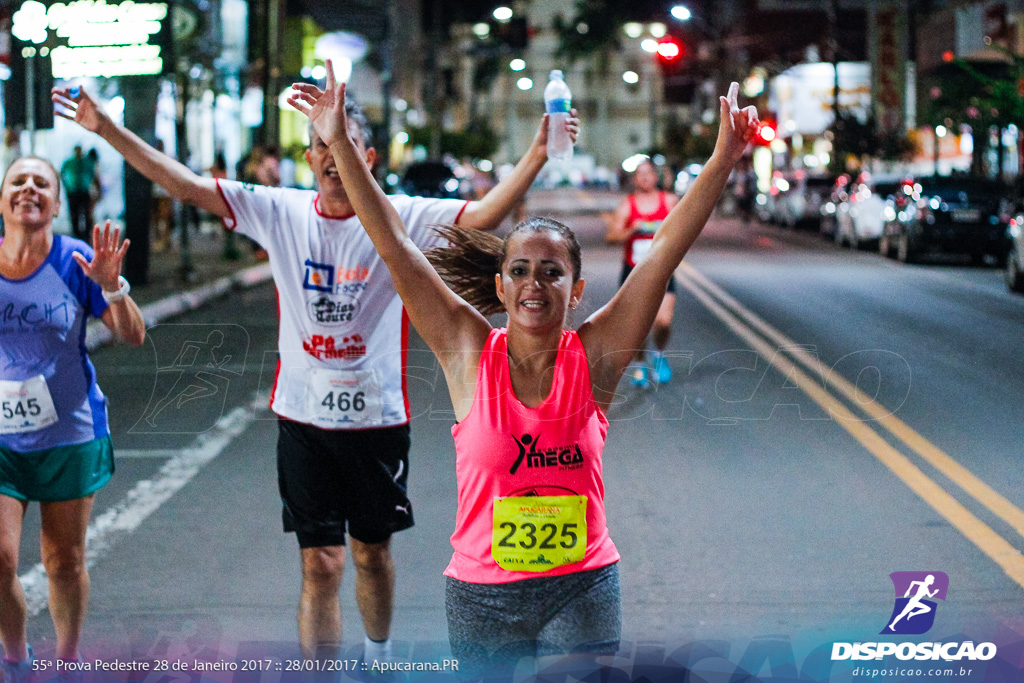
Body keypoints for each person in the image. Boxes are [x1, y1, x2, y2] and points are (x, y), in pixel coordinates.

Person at [52, 79, 579, 663]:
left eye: (344, 143)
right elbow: (187, 185)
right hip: (302, 419)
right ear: (309, 158)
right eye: (321, 146)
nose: (332, 156)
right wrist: (108, 129)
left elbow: (483, 212)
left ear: (366, 158)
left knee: (370, 555)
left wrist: (537, 152)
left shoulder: (400, 216)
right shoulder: (278, 211)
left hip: (378, 418)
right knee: (319, 562)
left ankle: (377, 659)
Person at [290, 63, 756, 675]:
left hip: (582, 587)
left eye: (552, 271)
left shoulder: (593, 358)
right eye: (520, 271)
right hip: (482, 595)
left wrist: (723, 158)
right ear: (500, 287)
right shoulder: (465, 349)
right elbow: (394, 245)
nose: (535, 283)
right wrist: (343, 145)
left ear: (577, 288)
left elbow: (663, 251)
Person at [0, 157, 146, 682]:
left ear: (57, 204)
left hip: (69, 435)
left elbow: (133, 334)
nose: (30, 189)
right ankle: (15, 655)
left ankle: (66, 660)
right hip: (1, 442)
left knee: (63, 560)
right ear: (2, 201)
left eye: (42, 183)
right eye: (18, 181)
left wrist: (112, 287)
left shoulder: (76, 260)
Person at [604, 159, 680, 388]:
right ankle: (639, 364)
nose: (645, 178)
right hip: (633, 273)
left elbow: (685, 228)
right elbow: (611, 237)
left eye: (649, 173)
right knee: (636, 326)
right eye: (641, 174)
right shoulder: (627, 205)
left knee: (663, 322)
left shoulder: (669, 201)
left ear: (655, 177)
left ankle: (658, 355)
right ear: (635, 179)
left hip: (662, 270)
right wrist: (631, 230)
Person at [60, 146, 94, 241]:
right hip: (73, 191)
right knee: (74, 213)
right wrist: (66, 186)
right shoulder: (69, 162)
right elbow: (62, 173)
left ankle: (86, 235)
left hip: (84, 191)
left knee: (86, 213)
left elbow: (93, 174)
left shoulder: (87, 162)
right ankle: (76, 234)